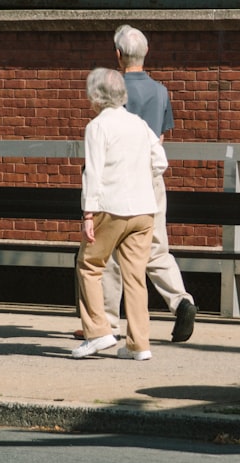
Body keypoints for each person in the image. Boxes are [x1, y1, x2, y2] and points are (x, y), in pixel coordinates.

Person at [81, 24, 199, 343]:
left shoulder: (113, 89)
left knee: (111, 254)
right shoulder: (160, 91)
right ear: (146, 54)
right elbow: (160, 138)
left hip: (119, 179)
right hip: (151, 178)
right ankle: (181, 300)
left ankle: (107, 322)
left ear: (118, 55)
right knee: (157, 247)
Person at [71, 67, 167, 361]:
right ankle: (139, 345)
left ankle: (98, 332)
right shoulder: (139, 124)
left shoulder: (97, 127)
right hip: (143, 209)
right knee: (136, 277)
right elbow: (160, 162)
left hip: (110, 208)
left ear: (95, 97)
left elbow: (94, 172)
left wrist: (88, 214)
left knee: (88, 265)